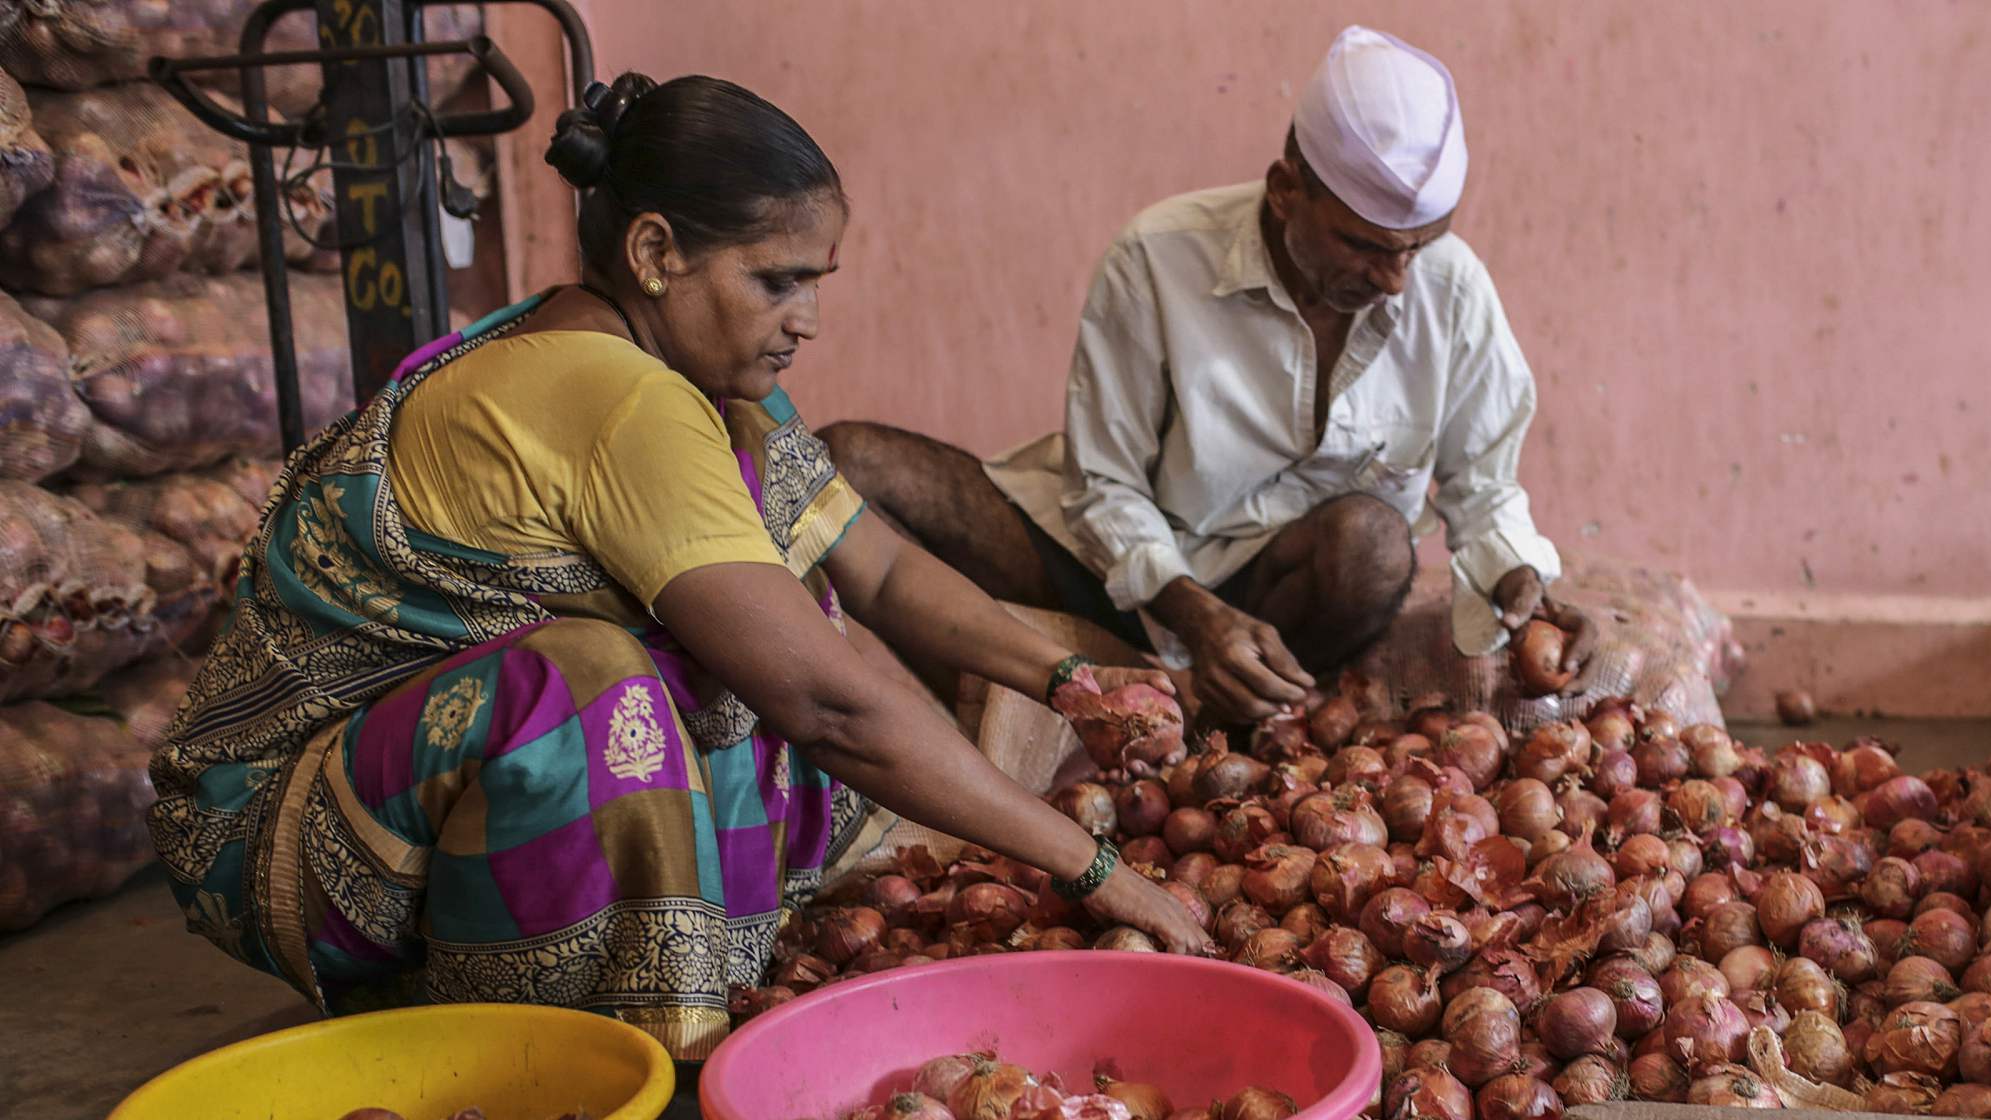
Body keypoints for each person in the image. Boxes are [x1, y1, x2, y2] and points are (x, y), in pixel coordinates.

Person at [148, 73, 1211, 1060]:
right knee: (596, 687)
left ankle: (650, 958)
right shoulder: (617, 397)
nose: (809, 319)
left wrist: (1070, 682)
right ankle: (549, 1045)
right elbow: (831, 710)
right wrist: (1092, 868)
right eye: (777, 281)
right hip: (277, 837)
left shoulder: (698, 383)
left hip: (402, 792)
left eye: (815, 282)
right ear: (656, 254)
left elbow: (880, 571)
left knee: (779, 609)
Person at [823, 25, 1598, 729]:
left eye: (1417, 248)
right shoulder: (1157, 258)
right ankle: (988, 719)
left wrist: (1520, 581)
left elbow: (1483, 486)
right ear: (1286, 190)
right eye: (1365, 247)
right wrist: (1194, 617)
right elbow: (1103, 489)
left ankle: (1239, 711)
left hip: (1286, 600)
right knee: (844, 463)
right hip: (1130, 569)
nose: (1396, 278)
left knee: (1374, 542)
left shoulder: (1451, 288)